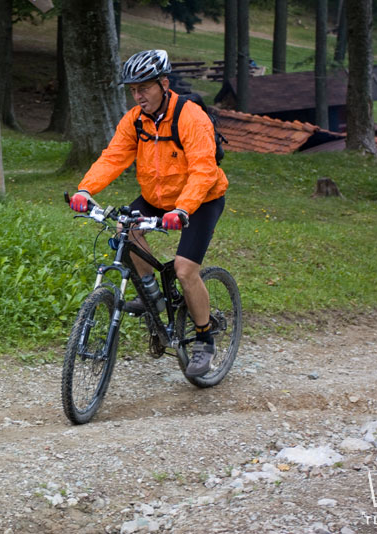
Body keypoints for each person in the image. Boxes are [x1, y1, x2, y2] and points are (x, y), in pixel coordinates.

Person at [69, 49, 228, 378]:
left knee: (184, 269)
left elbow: (203, 170)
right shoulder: (135, 120)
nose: (138, 96)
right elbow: (113, 157)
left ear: (164, 84)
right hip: (157, 197)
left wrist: (182, 208)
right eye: (133, 90)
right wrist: (85, 190)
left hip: (201, 199)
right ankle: (151, 296)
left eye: (144, 88)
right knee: (125, 231)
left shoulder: (191, 117)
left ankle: (204, 339)